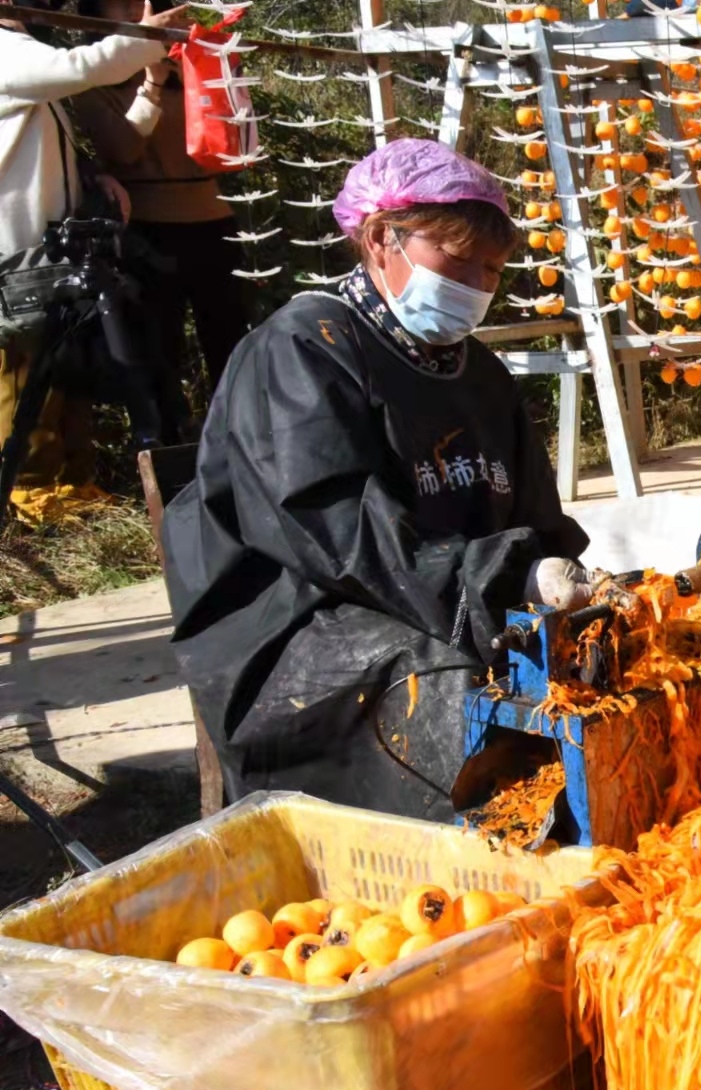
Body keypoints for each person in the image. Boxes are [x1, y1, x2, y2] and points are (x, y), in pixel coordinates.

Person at [162, 139, 592, 821]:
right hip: (300, 626)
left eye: (491, 270)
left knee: (600, 668)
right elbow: (338, 533)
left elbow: (532, 522)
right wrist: (504, 581)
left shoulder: (478, 374)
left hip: (442, 602)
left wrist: (560, 579)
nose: (477, 287)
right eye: (459, 262)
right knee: (449, 693)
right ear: (381, 238)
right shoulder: (302, 350)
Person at [0, 0, 180, 518]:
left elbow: (45, 137)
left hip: (51, 244)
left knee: (65, 367)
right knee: (24, 369)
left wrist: (90, 175)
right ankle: (29, 492)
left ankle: (74, 483)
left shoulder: (23, 53)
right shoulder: (6, 52)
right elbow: (80, 68)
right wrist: (143, 37)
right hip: (17, 247)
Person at [67, 0, 250, 399]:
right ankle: (168, 450)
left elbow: (231, 145)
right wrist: (151, 85)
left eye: (140, 1)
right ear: (95, 17)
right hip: (147, 232)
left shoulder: (191, 67)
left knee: (233, 349)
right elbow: (122, 150)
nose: (135, 11)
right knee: (158, 356)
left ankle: (241, 445)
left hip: (213, 222)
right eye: (119, 5)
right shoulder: (91, 81)